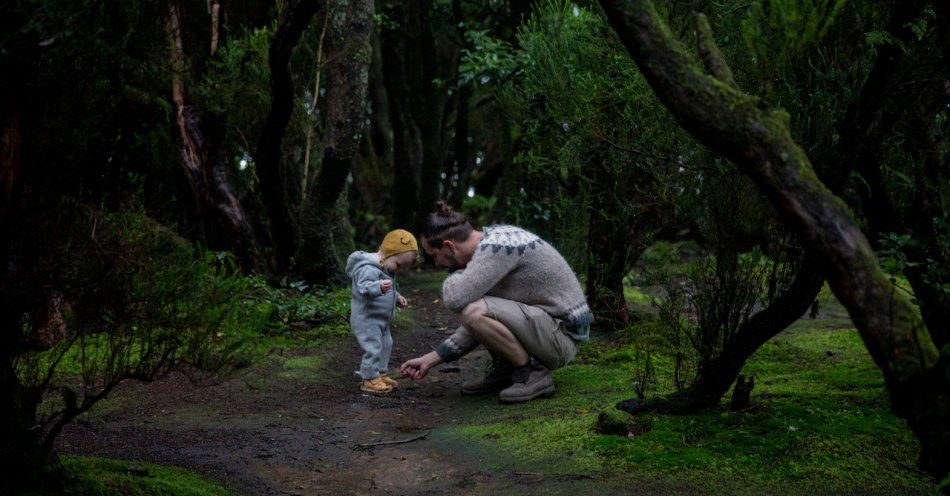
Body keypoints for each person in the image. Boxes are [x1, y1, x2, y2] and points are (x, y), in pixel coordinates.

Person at [400, 202, 593, 403]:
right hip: (547, 330)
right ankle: (507, 370)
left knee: (473, 310)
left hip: (561, 338)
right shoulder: (491, 247)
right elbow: (481, 323)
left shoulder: (499, 245)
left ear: (449, 246)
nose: (437, 263)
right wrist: (431, 359)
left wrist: (457, 273)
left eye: (435, 255)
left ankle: (532, 373)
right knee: (477, 310)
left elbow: (454, 298)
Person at [346, 229, 419, 393]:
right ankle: (369, 379)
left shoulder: (386, 268)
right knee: (373, 347)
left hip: (382, 320)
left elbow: (389, 289)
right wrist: (377, 287)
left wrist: (397, 297)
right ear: (387, 254)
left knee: (386, 344)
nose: (397, 270)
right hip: (367, 318)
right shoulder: (368, 269)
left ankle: (380, 373)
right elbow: (363, 288)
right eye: (398, 265)